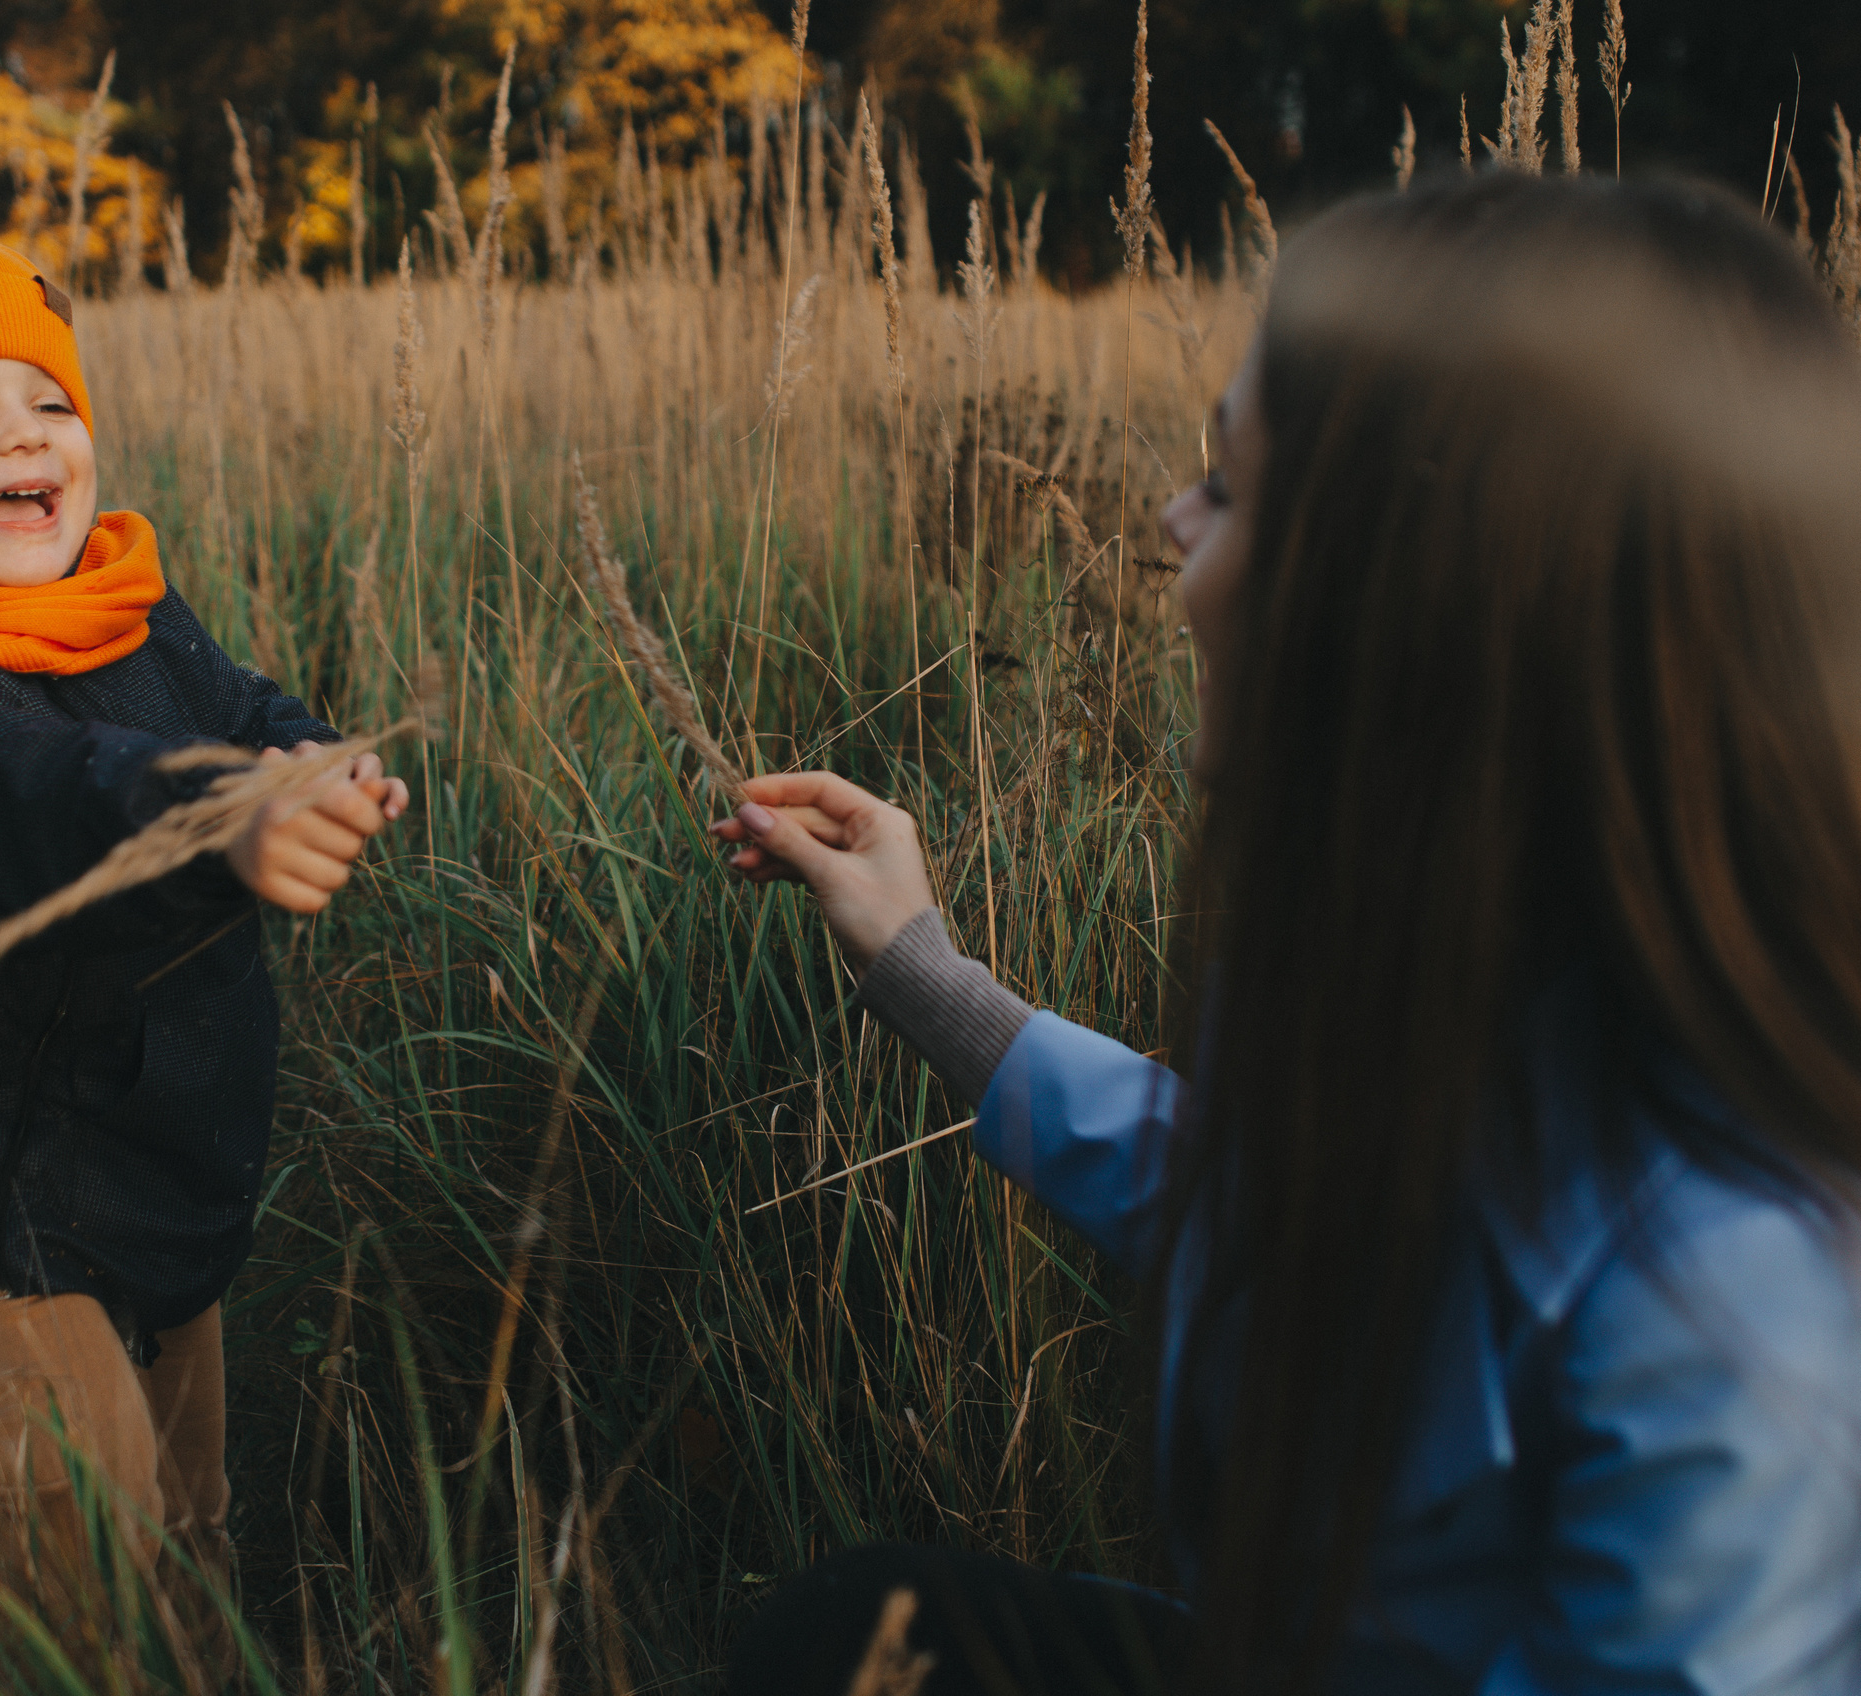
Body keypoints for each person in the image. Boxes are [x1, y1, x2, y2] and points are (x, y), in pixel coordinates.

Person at [709, 175, 1861, 1694]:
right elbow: (1260, 1188)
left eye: (1234, 488)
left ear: (1422, 602)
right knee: (853, 1632)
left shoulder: (1728, 1314)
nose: (1172, 520)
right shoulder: (1485, 982)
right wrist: (920, 967)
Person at [0, 234, 407, 1676]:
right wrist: (212, 818)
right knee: (69, 1560)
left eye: (46, 399)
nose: (22, 434)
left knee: (188, 1526)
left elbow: (242, 700)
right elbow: (16, 793)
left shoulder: (127, 602)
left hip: (165, 1167)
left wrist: (304, 759)